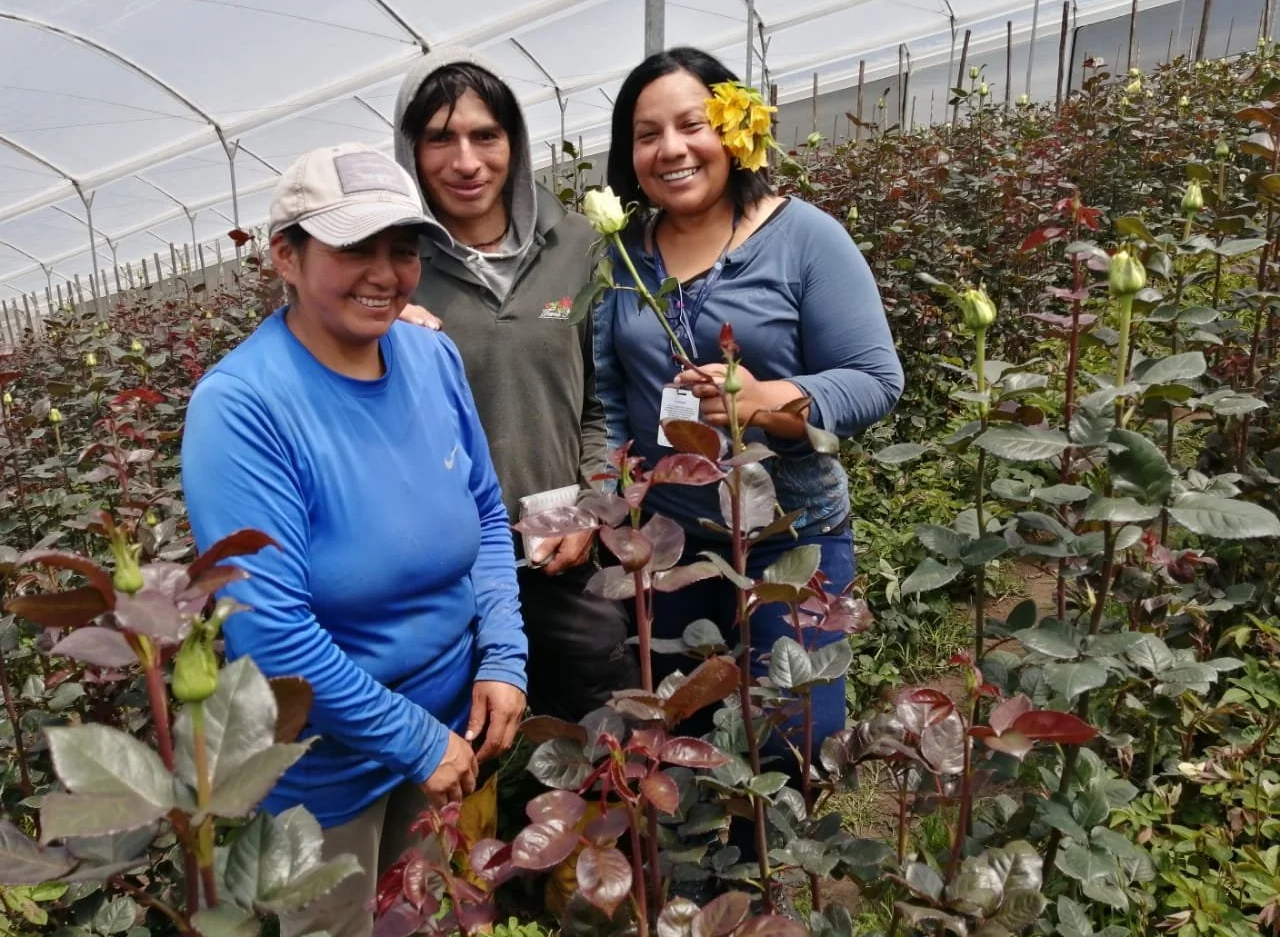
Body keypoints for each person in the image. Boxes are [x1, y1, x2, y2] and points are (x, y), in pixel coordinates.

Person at [180, 143, 527, 937]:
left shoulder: (431, 355)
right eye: (353, 248)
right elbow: (269, 638)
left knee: (434, 914)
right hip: (325, 770)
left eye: (402, 249)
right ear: (285, 257)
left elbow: (485, 516)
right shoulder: (242, 408)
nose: (385, 272)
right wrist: (412, 739)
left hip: (452, 725)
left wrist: (503, 657)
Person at [594, 48, 905, 763]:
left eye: (691, 125)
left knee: (796, 736)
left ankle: (780, 876)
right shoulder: (623, 259)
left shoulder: (803, 237)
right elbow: (609, 392)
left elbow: (875, 378)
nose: (671, 149)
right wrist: (616, 499)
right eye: (647, 135)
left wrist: (766, 401)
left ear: (735, 132)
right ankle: (697, 879)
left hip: (789, 534)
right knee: (683, 731)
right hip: (670, 544)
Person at [391, 48, 640, 723]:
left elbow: (600, 401)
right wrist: (382, 320)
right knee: (470, 751)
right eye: (439, 138)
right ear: (409, 150)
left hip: (565, 550)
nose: (465, 162)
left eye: (485, 136)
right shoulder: (390, 272)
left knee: (602, 734)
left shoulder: (579, 247)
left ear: (515, 142)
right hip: (450, 574)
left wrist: (594, 506)